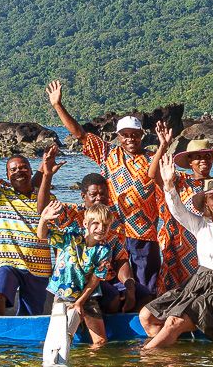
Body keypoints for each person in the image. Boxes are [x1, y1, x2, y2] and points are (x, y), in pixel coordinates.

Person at [47, 80, 168, 306]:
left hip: (144, 233)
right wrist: (58, 105)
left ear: (142, 135)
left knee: (145, 288)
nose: (130, 139)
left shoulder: (153, 159)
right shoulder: (109, 155)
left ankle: (142, 326)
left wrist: (162, 147)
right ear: (118, 136)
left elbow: (162, 182)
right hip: (113, 230)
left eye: (135, 134)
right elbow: (80, 135)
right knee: (113, 281)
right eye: (125, 135)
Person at [140, 140, 213, 349]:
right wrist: (168, 185)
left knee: (173, 322)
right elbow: (178, 211)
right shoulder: (201, 224)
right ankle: (173, 359)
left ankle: (146, 362)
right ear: (207, 203)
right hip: (197, 283)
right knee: (146, 316)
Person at [0, 123, 62, 316]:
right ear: (7, 175)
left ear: (30, 171)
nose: (18, 171)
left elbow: (56, 235)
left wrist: (59, 267)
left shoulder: (47, 199)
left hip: (39, 266)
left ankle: (24, 346)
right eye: (13, 169)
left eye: (23, 167)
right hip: (8, 263)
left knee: (31, 314)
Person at [38, 202, 119, 347]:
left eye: (105, 226)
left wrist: (79, 303)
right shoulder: (71, 236)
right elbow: (43, 235)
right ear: (85, 223)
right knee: (58, 340)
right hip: (62, 294)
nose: (101, 229)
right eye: (96, 224)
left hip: (86, 296)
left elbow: (95, 280)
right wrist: (44, 219)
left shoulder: (104, 250)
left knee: (100, 342)